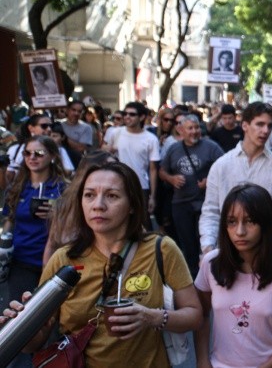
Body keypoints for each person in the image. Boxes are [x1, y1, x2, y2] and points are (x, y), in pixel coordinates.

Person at [1, 162, 202, 367]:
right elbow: (34, 344)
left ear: (132, 204)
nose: (98, 205)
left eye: (112, 196)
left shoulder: (161, 249)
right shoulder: (64, 259)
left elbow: (194, 315)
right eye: (89, 195)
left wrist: (153, 317)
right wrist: (21, 325)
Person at [194, 184, 272, 367]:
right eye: (232, 222)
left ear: (266, 223)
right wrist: (202, 360)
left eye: (249, 221)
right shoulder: (211, 264)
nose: (240, 231)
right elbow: (200, 315)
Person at [199, 102, 272, 256]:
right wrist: (208, 248)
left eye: (269, 126)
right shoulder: (221, 165)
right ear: (245, 126)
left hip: (265, 252)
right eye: (260, 124)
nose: (265, 131)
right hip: (227, 252)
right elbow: (211, 211)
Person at [2, 136, 68, 305]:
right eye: (27, 153)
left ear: (52, 156)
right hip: (20, 261)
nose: (32, 157)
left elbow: (75, 225)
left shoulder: (63, 188)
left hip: (55, 261)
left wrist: (57, 215)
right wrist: (3, 248)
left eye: (38, 153)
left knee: (51, 319)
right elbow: (10, 221)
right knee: (19, 315)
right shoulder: (17, 186)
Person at [160, 114, 224, 276]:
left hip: (204, 204)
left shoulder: (211, 147)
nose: (195, 131)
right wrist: (171, 178)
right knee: (188, 245)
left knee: (206, 243)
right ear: (180, 130)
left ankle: (209, 277)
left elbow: (225, 167)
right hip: (181, 204)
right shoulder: (174, 149)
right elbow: (161, 171)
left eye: (197, 128)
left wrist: (209, 180)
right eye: (190, 128)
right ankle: (193, 280)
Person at [43, 149, 118, 265]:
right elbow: (52, 245)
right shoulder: (65, 204)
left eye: (116, 167)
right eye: (108, 167)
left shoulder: (120, 203)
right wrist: (47, 276)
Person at [104, 101, 160, 218]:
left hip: (141, 186)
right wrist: (110, 150)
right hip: (116, 184)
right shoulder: (116, 133)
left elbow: (153, 169)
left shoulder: (151, 139)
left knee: (140, 221)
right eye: (125, 114)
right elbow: (103, 151)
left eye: (132, 114)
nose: (127, 117)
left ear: (142, 117)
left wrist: (153, 197)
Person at [6, 114, 74, 184]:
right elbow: (8, 176)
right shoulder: (15, 149)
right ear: (31, 128)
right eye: (44, 126)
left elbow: (68, 171)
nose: (49, 129)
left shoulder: (58, 149)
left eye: (50, 126)